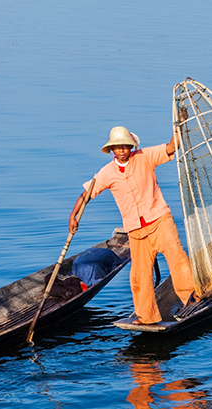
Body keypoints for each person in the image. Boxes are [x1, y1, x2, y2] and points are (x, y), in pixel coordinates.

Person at [69, 124, 197, 324]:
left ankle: (190, 298)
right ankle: (146, 316)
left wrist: (179, 126)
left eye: (125, 146)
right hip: (136, 230)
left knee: (177, 258)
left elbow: (172, 147)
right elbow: (87, 194)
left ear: (131, 147)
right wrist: (74, 215)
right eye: (117, 147)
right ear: (112, 150)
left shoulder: (145, 156)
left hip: (160, 219)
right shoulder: (107, 173)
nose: (122, 151)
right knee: (139, 275)